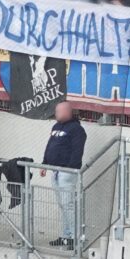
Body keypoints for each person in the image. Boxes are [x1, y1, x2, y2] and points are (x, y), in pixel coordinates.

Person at [41, 102, 86, 248]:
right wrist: (44, 163)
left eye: (58, 111)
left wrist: (69, 169)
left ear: (67, 112)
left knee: (68, 205)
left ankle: (75, 238)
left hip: (66, 172)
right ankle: (66, 236)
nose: (56, 114)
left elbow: (77, 152)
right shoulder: (56, 127)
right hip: (55, 171)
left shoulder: (77, 129)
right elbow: (50, 145)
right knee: (62, 205)